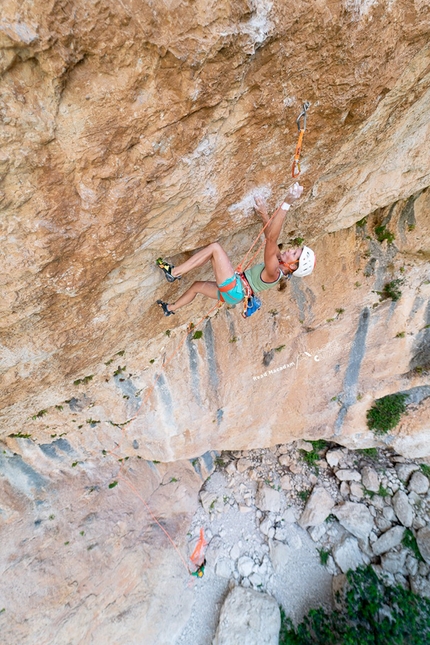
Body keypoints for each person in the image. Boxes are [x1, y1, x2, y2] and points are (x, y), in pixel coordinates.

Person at [156, 183, 315, 316]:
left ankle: (174, 272)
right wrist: (264, 214)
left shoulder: (274, 272)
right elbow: (269, 238)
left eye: (294, 254)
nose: (290, 250)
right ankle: (169, 309)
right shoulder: (278, 265)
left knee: (215, 249)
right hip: (235, 294)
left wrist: (287, 202)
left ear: (293, 266)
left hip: (235, 288)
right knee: (197, 285)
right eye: (294, 250)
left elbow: (272, 239)